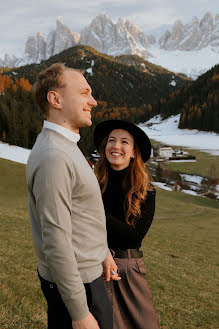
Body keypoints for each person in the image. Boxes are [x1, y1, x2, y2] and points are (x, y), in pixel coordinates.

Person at [26, 63, 120, 329]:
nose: (93, 101)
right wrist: (79, 313)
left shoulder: (65, 146)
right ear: (55, 99)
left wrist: (101, 252)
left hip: (85, 277)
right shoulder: (54, 156)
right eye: (84, 93)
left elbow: (79, 214)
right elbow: (56, 240)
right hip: (77, 286)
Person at [94, 119, 159, 329]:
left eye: (124, 142)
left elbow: (133, 238)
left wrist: (94, 212)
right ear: (105, 147)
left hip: (129, 270)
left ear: (133, 152)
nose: (116, 146)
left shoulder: (146, 191)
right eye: (111, 140)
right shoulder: (92, 184)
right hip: (93, 265)